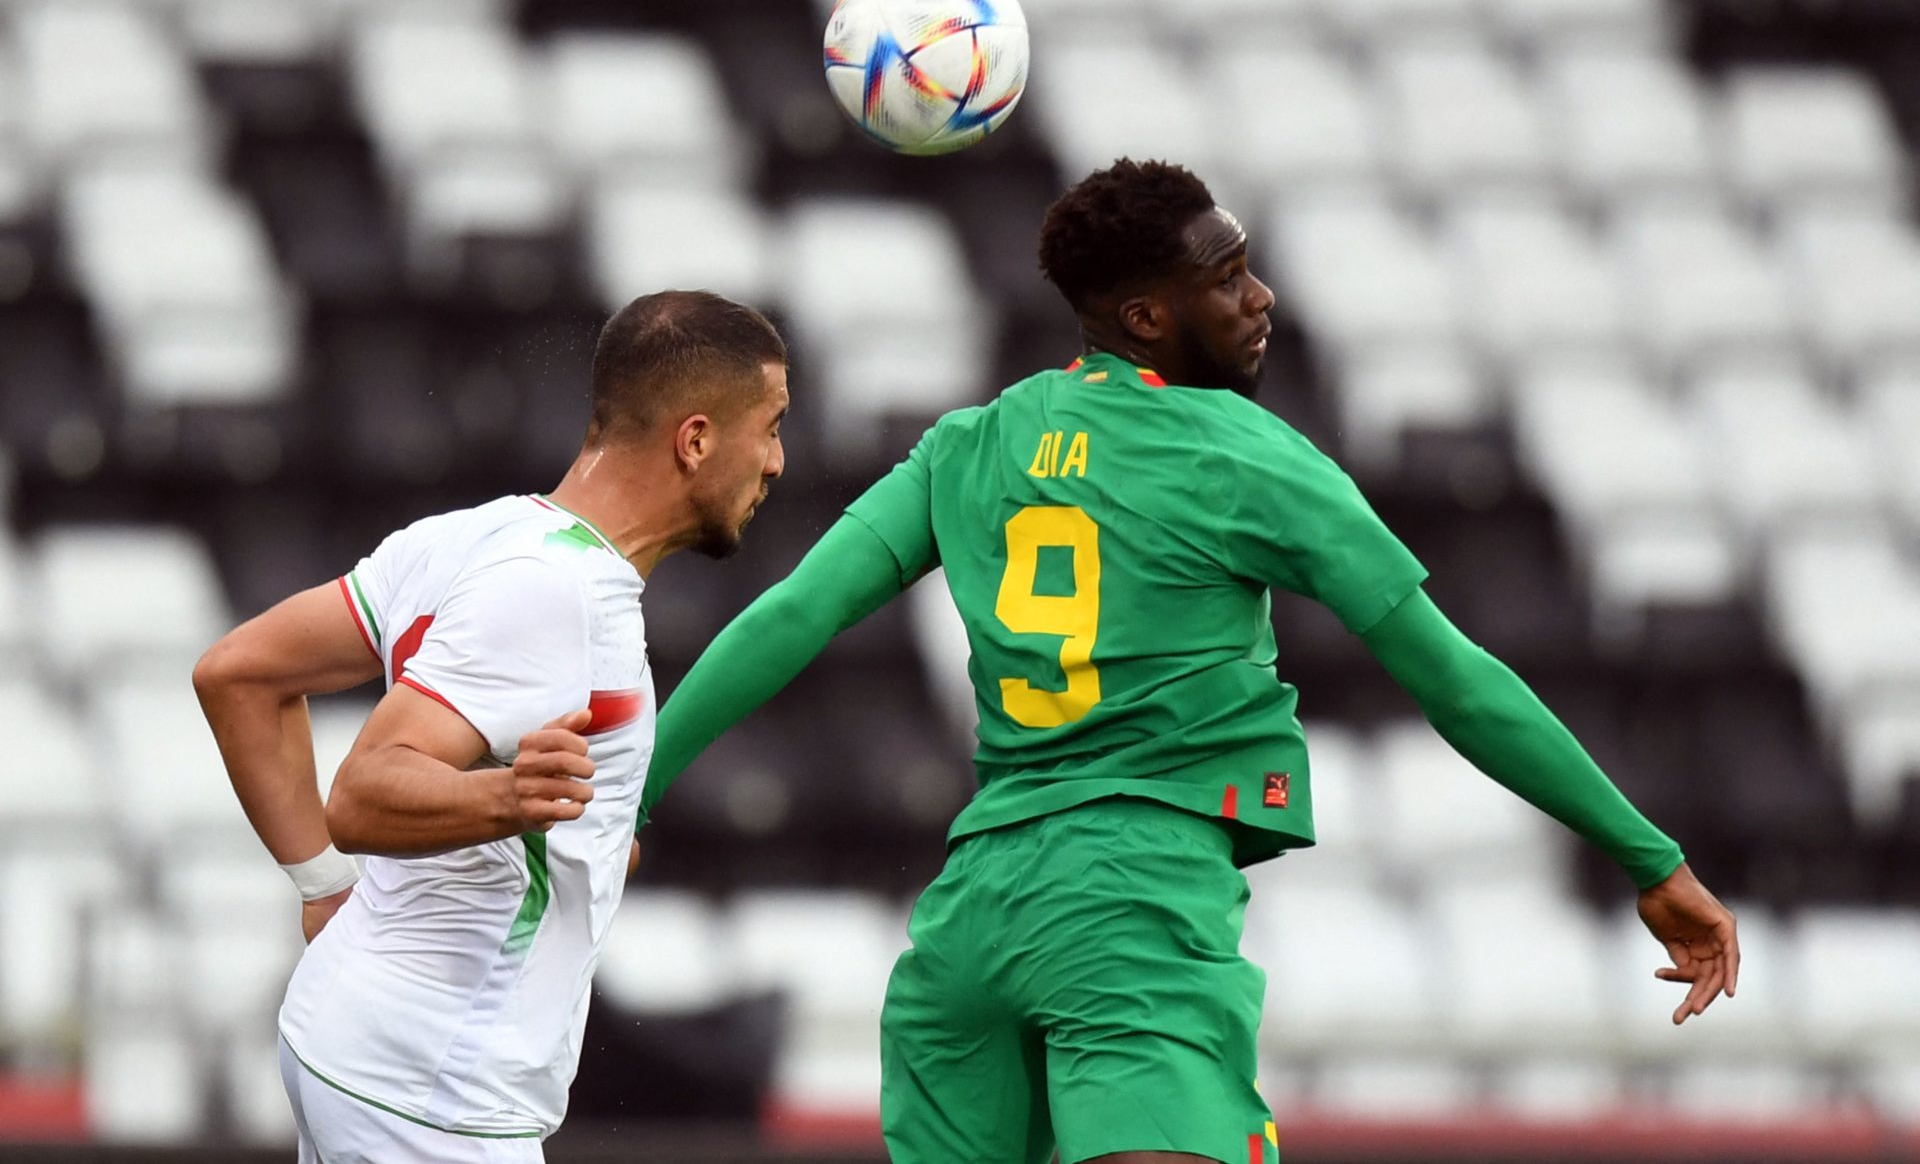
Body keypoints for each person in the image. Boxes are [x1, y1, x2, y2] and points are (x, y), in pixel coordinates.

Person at [642, 161, 1741, 1164]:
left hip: (970, 922)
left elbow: (789, 617)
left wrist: (635, 789)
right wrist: (1649, 857)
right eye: (1229, 278)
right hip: (1131, 901)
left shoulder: (970, 442)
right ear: (1145, 315)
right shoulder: (1244, 453)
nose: (1260, 299)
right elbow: (1456, 681)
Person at [192, 290, 788, 1163]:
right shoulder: (560, 593)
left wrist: (323, 887)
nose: (777, 460)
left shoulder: (470, 536)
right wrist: (507, 798)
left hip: (355, 1042)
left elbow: (237, 671)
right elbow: (363, 791)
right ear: (695, 439)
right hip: (434, 1089)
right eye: (771, 425)